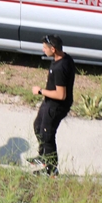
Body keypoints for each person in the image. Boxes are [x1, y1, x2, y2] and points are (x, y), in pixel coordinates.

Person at [28, 35, 75, 176]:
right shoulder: (63, 58)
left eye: (44, 48)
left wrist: (41, 91)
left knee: (47, 135)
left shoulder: (61, 67)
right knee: (38, 126)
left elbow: (61, 95)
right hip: (49, 102)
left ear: (53, 49)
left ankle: (51, 170)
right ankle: (43, 157)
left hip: (56, 106)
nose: (43, 50)